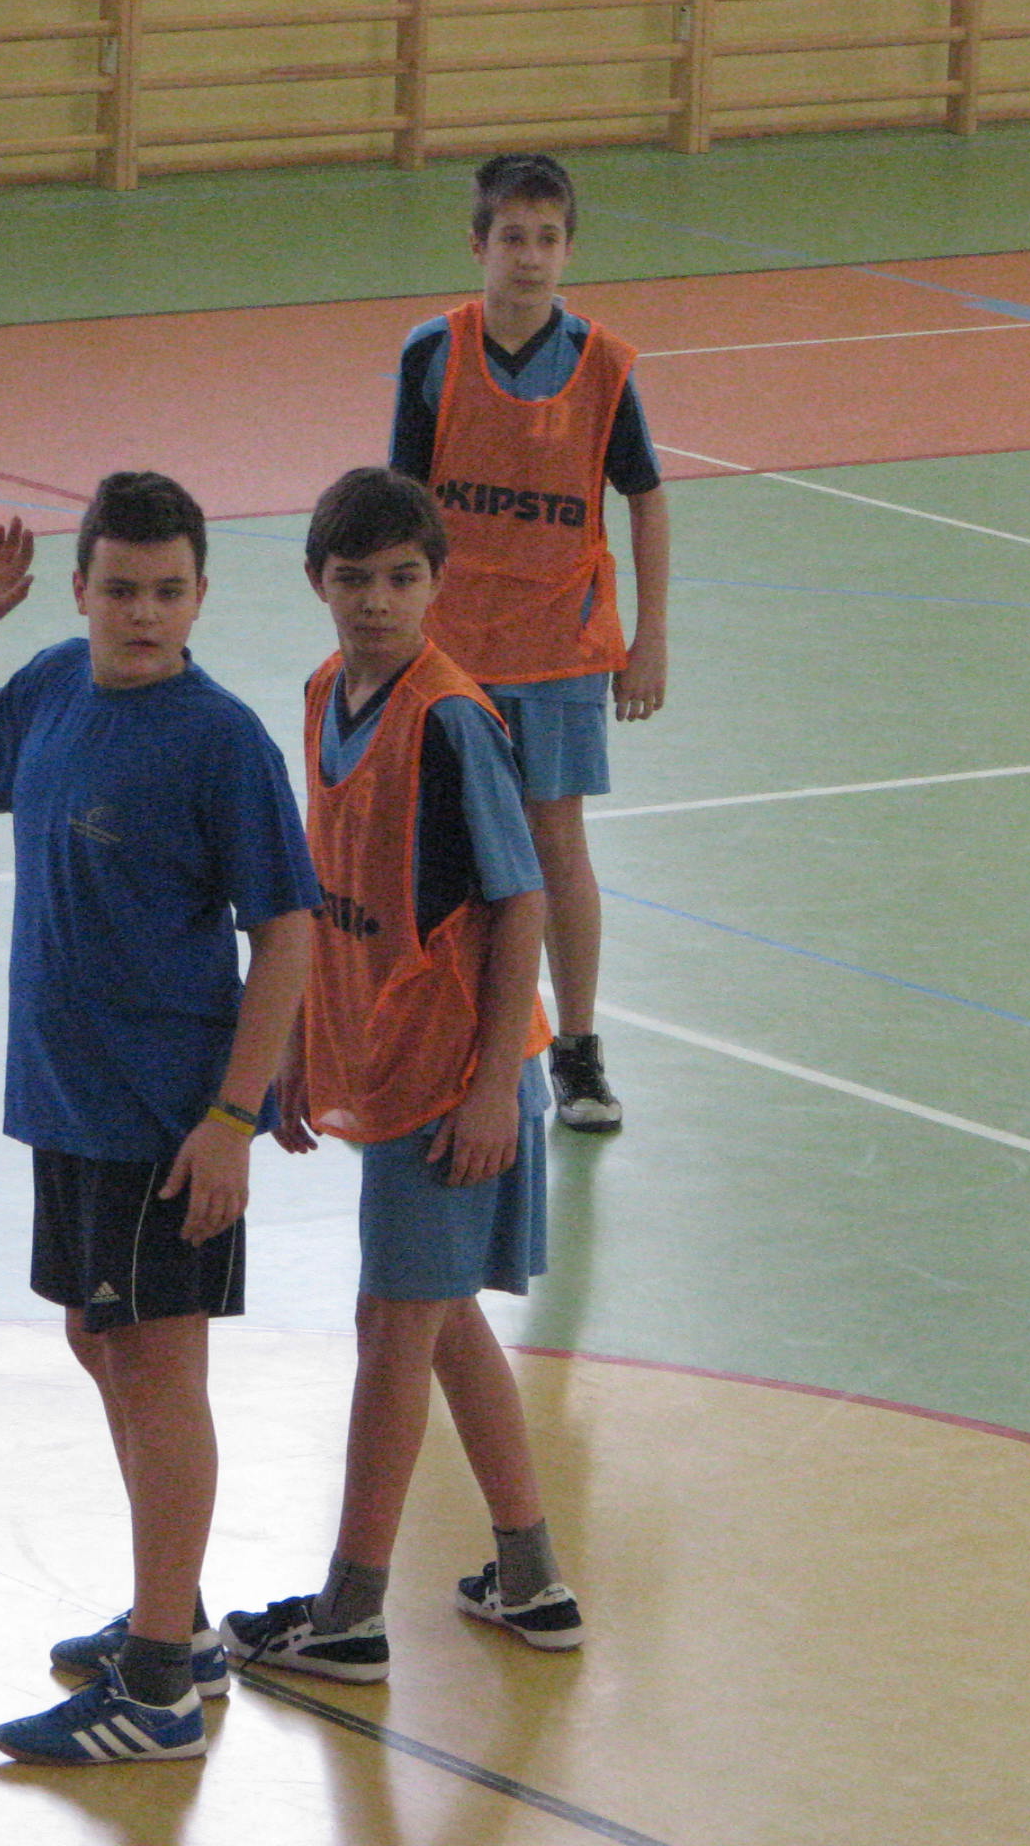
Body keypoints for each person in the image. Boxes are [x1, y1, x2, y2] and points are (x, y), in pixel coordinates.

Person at [0, 475, 317, 1767]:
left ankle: (157, 1688)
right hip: (66, 1098)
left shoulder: (222, 742)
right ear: (83, 590)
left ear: (200, 596)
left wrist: (234, 1118)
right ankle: (178, 1620)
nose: (143, 613)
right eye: (120, 590)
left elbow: (288, 932)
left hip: (164, 1114)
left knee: (159, 1369)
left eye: (167, 592)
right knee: (101, 1339)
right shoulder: (53, 684)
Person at [220, 467, 584, 1689]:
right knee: (441, 1320)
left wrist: (490, 1089)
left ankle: (350, 1612)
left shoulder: (453, 720)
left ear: (438, 582)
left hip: (456, 1082)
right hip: (393, 1062)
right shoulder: (323, 694)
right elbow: (329, 899)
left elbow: (521, 899)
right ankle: (531, 1579)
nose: (376, 599)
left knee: (391, 1328)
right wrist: (296, 1047)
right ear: (315, 582)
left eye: (401, 577)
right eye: (354, 577)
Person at [390, 149, 671, 1135]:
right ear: (478, 245)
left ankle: (579, 1050)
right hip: (452, 649)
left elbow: (646, 497)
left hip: (561, 644)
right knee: (446, 842)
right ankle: (448, 1030)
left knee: (557, 840)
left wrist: (650, 638)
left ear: (569, 251)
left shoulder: (602, 365)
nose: (531, 256)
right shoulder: (434, 354)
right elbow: (400, 509)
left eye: (548, 239)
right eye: (513, 237)